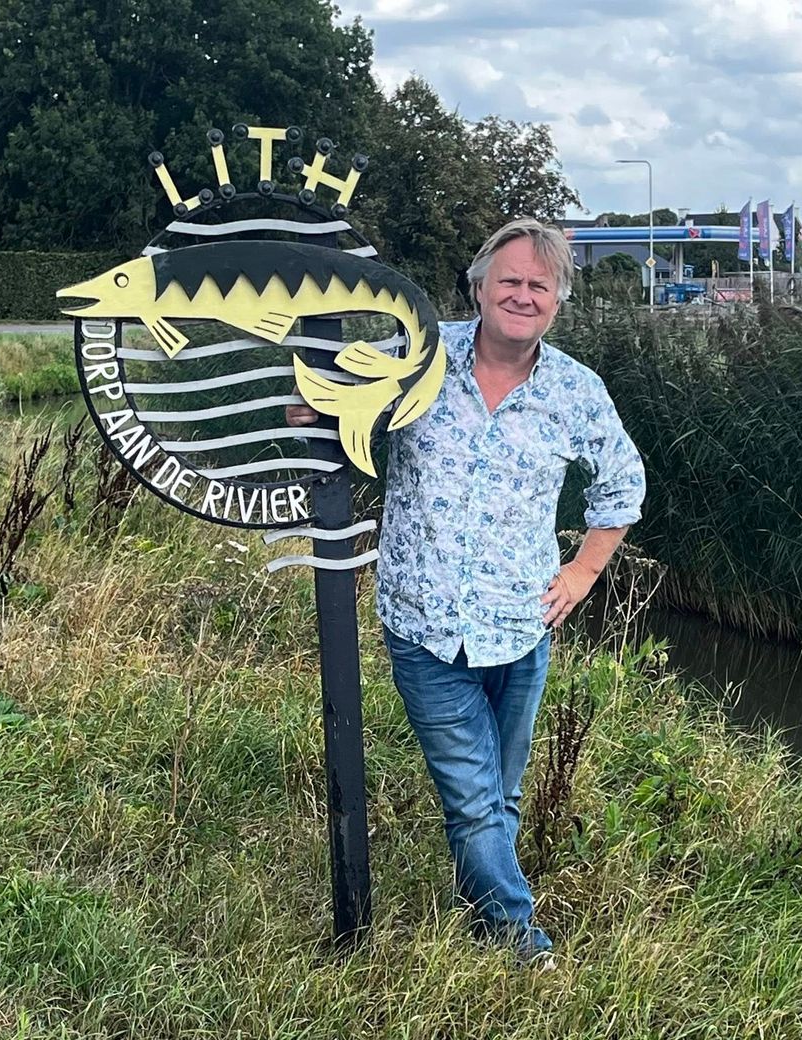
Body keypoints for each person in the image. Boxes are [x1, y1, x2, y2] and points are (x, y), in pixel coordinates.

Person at [287, 218, 645, 965]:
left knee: (499, 801)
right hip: (425, 624)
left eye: (538, 286)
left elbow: (623, 485)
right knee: (478, 801)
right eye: (508, 280)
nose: (522, 295)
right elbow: (339, 397)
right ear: (478, 285)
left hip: (521, 626)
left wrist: (581, 572)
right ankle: (522, 943)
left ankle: (479, 912)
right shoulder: (417, 356)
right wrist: (317, 409)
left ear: (557, 301)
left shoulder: (578, 392)